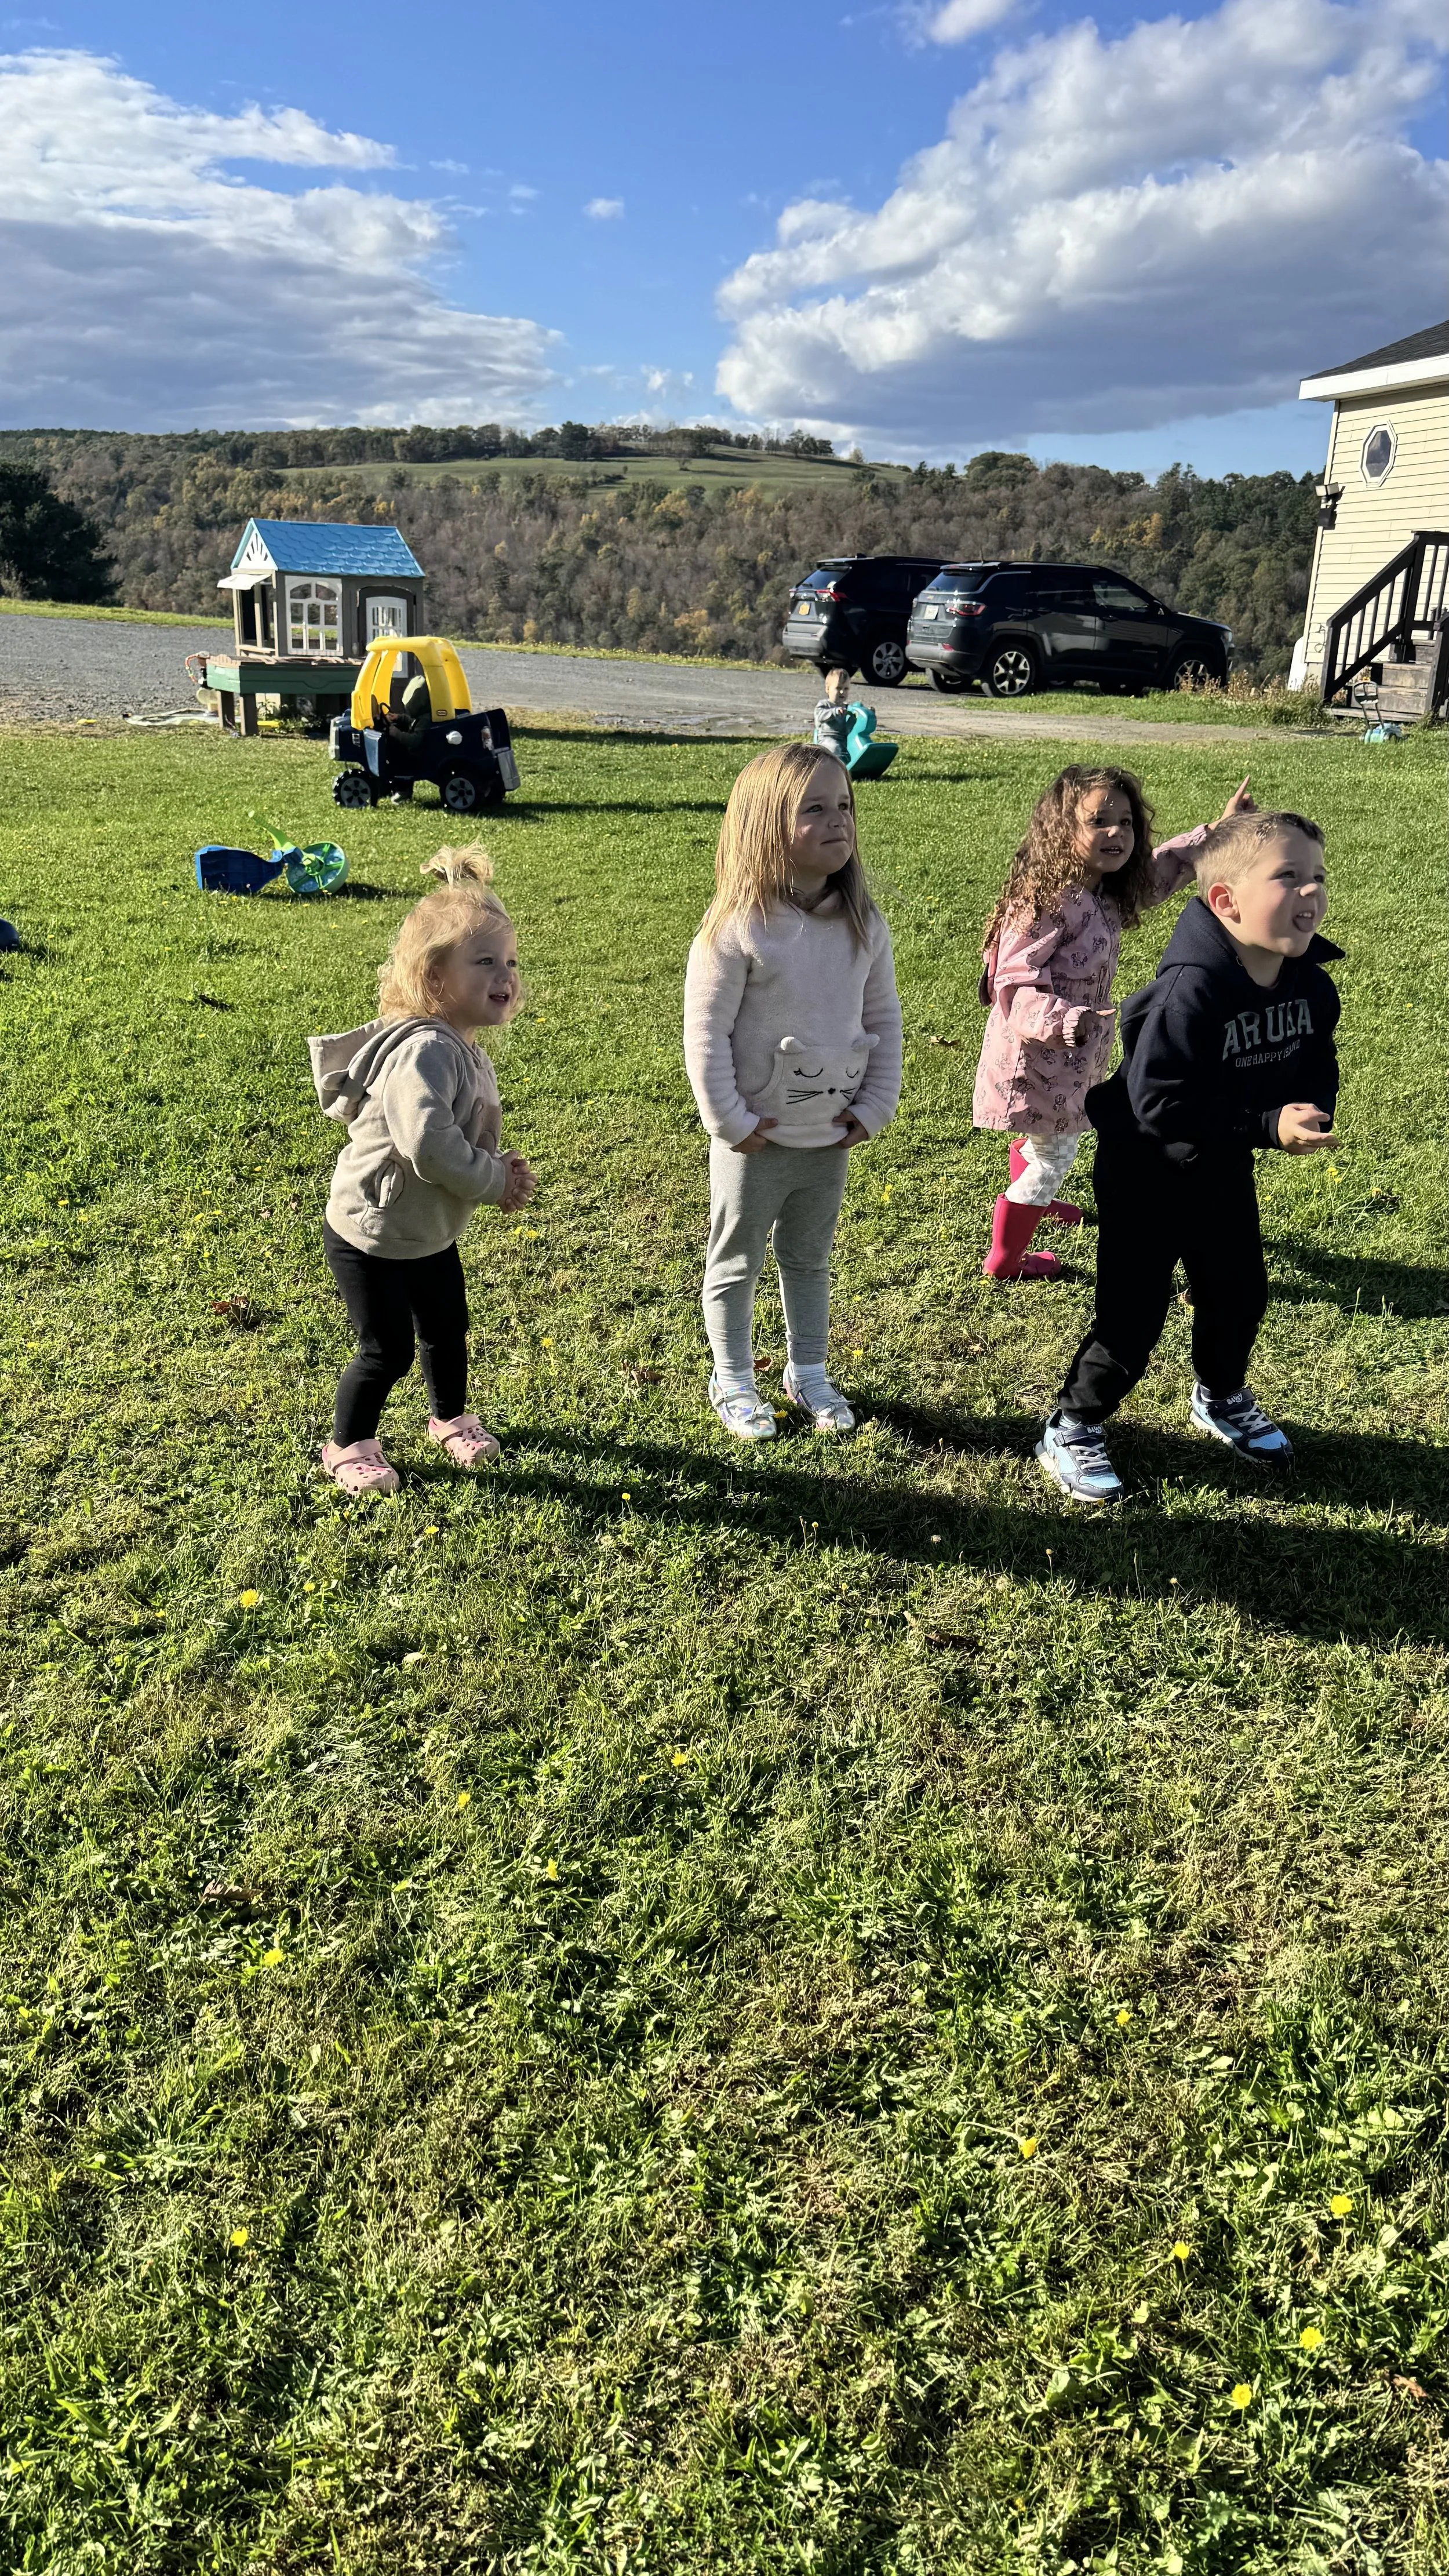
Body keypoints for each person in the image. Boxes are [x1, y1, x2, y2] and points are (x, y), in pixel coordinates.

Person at [1036, 809, 1340, 1505]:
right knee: (1132, 1317)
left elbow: (1315, 1055)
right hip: (1145, 1171)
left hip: (1221, 1163)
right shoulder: (1185, 994)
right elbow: (1159, 1107)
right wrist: (1266, 1124)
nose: (1309, 893)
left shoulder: (1309, 984)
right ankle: (1073, 1423)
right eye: (1286, 877)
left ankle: (1221, 1396)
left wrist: (1309, 1105)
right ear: (1225, 902)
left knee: (1239, 1292)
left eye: (1317, 877)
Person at [683, 741, 902, 1439]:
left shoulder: (863, 924)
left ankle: (808, 1371)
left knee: (809, 1257)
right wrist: (729, 1120)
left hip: (829, 1133)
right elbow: (705, 1034)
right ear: (764, 826)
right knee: (737, 1257)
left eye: (844, 805)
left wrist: (874, 1106)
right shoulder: (735, 929)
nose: (838, 820)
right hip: (756, 1137)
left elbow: (883, 1019)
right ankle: (734, 1377)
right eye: (814, 808)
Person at [308, 849, 537, 1496]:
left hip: (425, 1228)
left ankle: (450, 1418)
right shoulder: (427, 1050)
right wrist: (493, 1182)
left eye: (511, 962)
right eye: (485, 962)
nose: (506, 976)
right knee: (388, 1349)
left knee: (445, 1327)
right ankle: (347, 1444)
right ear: (435, 979)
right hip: (372, 1232)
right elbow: (429, 1147)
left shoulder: (456, 1043)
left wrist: (495, 1163)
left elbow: (455, 1135)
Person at [972, 766, 1254, 1281]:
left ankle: (1040, 1196)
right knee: (1055, 1154)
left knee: (1053, 1139)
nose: (1116, 834)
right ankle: (1006, 1260)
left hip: (1070, 1055)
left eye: (1125, 822)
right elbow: (1016, 980)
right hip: (1037, 1056)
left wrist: (1218, 832)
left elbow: (1157, 874)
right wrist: (1064, 1019)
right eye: (1099, 821)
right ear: (1061, 829)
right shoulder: (1046, 898)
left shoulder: (1100, 888)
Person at [811, 667, 853, 763]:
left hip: (844, 738)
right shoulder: (824, 705)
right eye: (838, 688)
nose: (842, 692)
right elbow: (820, 716)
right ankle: (832, 768)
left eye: (846, 689)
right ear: (828, 689)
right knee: (834, 748)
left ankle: (855, 767)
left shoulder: (847, 708)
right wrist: (834, 712)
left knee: (854, 748)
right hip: (827, 739)